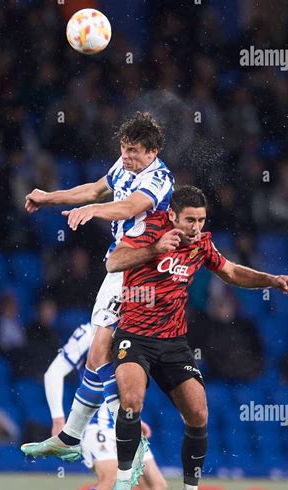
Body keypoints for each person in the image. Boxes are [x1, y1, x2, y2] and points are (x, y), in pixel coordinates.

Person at [105, 186, 288, 490]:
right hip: (135, 335)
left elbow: (232, 272)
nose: (196, 226)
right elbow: (113, 262)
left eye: (201, 220)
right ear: (172, 216)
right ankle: (124, 477)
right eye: (190, 220)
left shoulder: (201, 244)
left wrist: (272, 279)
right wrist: (154, 249)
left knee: (198, 412)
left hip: (173, 343)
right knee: (132, 400)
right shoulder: (148, 229)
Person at [21, 111, 174, 461]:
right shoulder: (124, 167)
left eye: (134, 151)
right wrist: (49, 197)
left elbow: (129, 206)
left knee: (116, 354)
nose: (126, 156)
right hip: (118, 266)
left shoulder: (159, 178)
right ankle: (72, 437)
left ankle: (125, 433)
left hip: (144, 271)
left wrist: (94, 211)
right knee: (97, 352)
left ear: (152, 152)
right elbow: (93, 189)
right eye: (123, 148)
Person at [44, 322, 166, 490]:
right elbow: (53, 373)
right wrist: (58, 419)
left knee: (155, 486)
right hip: (95, 423)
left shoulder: (136, 330)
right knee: (110, 477)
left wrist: (135, 418)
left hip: (125, 422)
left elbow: (125, 384)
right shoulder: (89, 332)